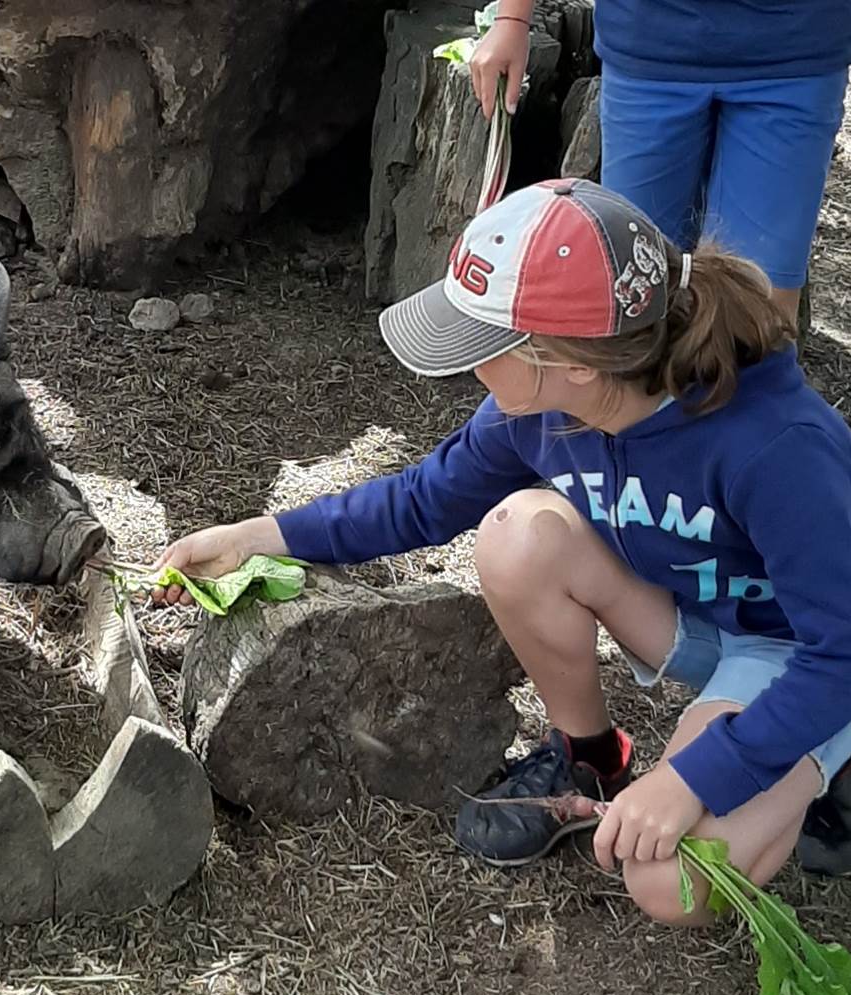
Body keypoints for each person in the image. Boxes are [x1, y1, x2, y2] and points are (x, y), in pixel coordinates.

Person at [151, 179, 851, 918]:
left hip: (802, 650)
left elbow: (839, 646)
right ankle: (591, 760)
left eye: (485, 345)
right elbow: (425, 499)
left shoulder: (777, 446)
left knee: (667, 882)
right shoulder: (545, 408)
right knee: (519, 534)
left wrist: (699, 777)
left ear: (573, 360)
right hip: (694, 611)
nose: (468, 365)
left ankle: (823, 759)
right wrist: (256, 539)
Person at [467, 0, 851, 326]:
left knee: (758, 302)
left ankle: (742, 413)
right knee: (633, 285)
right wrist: (512, 19)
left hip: (797, 52)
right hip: (648, 46)